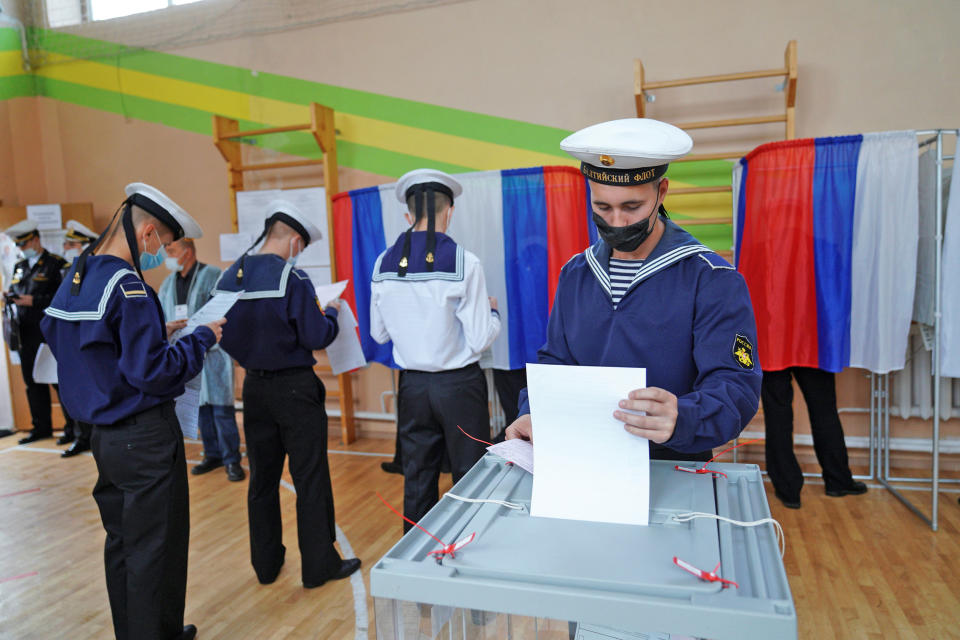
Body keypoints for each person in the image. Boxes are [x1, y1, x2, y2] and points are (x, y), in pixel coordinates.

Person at [505, 119, 762, 461]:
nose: (617, 222)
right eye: (602, 207)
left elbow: (735, 386)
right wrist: (530, 410)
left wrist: (684, 418)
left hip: (672, 465)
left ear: (662, 192)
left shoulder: (711, 279)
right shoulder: (576, 274)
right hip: (583, 460)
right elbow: (556, 362)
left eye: (631, 207)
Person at [40, 182, 225, 640]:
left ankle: (145, 631)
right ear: (146, 234)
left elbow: (55, 333)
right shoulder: (127, 282)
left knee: (124, 546)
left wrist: (150, 330)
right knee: (155, 549)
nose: (161, 252)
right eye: (162, 242)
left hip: (104, 438)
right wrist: (203, 338)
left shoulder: (79, 275)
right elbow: (155, 373)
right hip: (144, 438)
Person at [214, 200, 361, 588]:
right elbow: (316, 336)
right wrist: (329, 313)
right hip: (295, 388)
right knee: (309, 477)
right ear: (295, 241)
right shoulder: (291, 279)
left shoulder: (232, 275)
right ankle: (318, 566)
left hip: (255, 387)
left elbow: (218, 330)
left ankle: (266, 563)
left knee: (262, 479)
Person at [370, 169, 501, 531]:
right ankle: (471, 554)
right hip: (459, 386)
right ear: (451, 210)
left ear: (408, 215)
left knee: (417, 478)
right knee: (471, 476)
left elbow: (378, 334)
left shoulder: (383, 263)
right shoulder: (465, 262)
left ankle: (416, 564)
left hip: (411, 387)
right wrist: (492, 312)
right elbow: (478, 339)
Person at [159, 238, 244, 482]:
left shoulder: (212, 275)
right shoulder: (167, 284)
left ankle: (231, 459)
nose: (167, 255)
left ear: (187, 253)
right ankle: (213, 454)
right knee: (200, 406)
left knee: (220, 408)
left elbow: (222, 308)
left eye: (171, 250)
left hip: (213, 352)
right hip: (185, 350)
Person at [1, 219, 76, 445]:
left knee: (58, 382)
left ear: (35, 239)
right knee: (32, 382)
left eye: (24, 244)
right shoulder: (20, 267)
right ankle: (40, 427)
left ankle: (72, 429)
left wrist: (34, 300)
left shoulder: (56, 264)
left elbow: (64, 299)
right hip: (25, 332)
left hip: (48, 332)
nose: (22, 250)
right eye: (19, 246)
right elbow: (15, 290)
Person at [762, 368, 867, 508]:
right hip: (811, 349)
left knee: (777, 414)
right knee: (824, 409)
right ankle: (838, 480)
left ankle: (787, 489)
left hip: (773, 350)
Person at [59, 219, 98, 457]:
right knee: (75, 389)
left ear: (85, 246)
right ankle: (81, 435)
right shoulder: (68, 270)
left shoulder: (95, 271)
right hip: (71, 339)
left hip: (90, 339)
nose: (67, 247)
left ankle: (92, 435)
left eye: (72, 244)